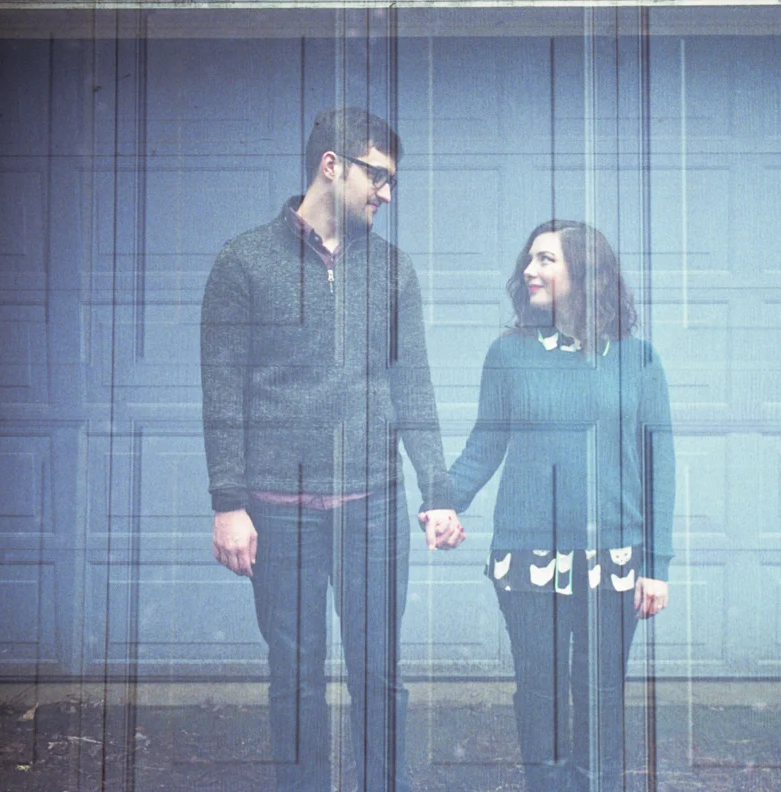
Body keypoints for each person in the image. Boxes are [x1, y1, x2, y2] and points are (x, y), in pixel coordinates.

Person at [201, 106, 464, 792]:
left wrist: (437, 491)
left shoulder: (393, 270)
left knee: (379, 673)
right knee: (294, 675)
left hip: (372, 506)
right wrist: (228, 503)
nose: (387, 193)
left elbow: (413, 385)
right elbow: (223, 392)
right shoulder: (243, 262)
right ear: (332, 165)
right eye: (378, 176)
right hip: (278, 510)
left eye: (392, 181)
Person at [425, 220, 674, 792]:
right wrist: (442, 501)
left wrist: (657, 565)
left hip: (613, 559)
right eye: (529, 260)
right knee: (539, 698)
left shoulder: (636, 358)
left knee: (601, 697)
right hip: (527, 557)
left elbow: (658, 463)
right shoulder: (508, 354)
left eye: (546, 260)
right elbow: (485, 444)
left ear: (586, 273)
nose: (529, 270)